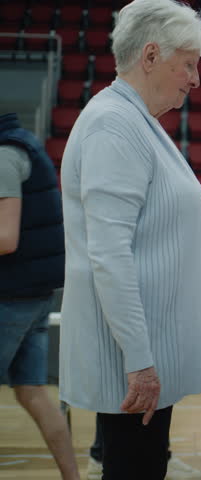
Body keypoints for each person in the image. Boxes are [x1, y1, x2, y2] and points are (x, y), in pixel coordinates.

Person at [58, 1, 201, 479]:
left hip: (144, 349)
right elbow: (110, 255)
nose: (196, 78)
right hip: (134, 356)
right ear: (150, 56)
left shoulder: (138, 122)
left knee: (146, 464)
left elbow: (158, 236)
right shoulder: (115, 125)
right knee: (136, 468)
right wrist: (139, 361)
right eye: (189, 64)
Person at [0, 113, 80, 480]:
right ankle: (72, 476)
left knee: (32, 393)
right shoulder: (25, 144)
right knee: (32, 392)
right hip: (35, 294)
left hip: (10, 294)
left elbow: (5, 238)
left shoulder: (4, 155)